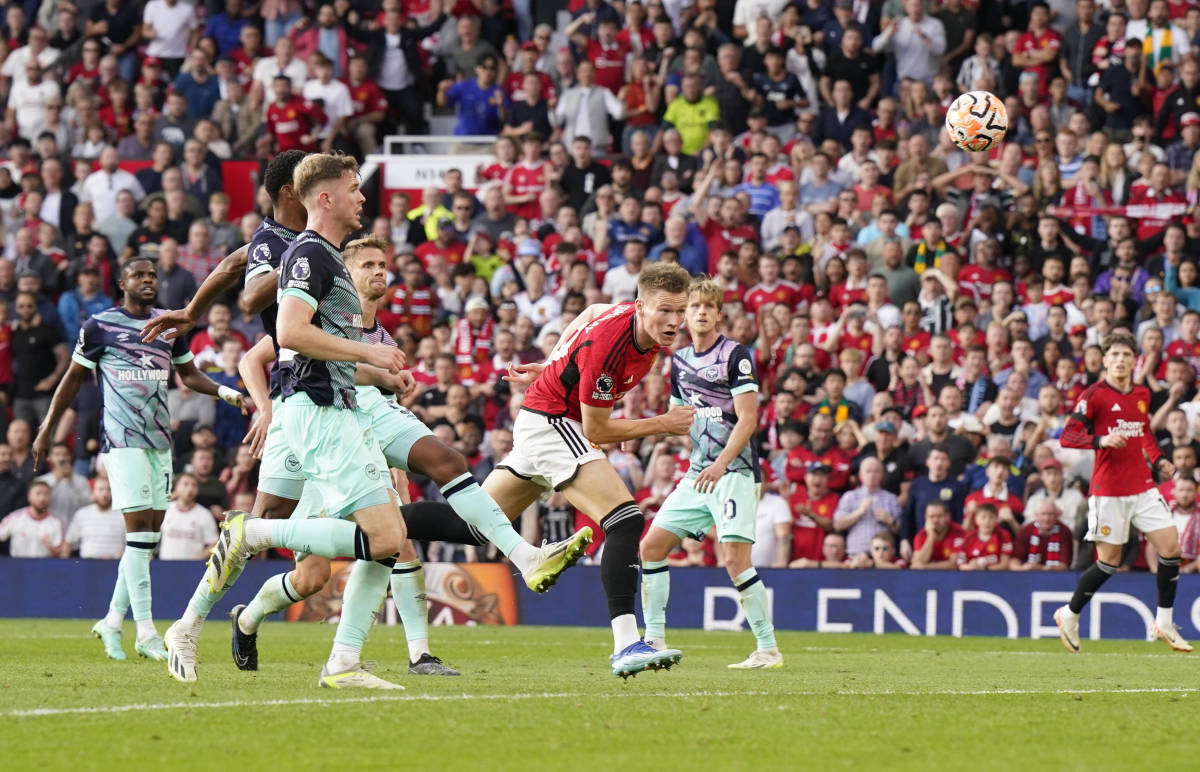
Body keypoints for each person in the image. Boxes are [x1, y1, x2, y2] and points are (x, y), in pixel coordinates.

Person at [170, 156, 586, 687]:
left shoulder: (323, 261)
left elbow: (241, 273)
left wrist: (375, 368)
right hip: (311, 408)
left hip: (341, 405)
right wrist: (330, 372)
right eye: (352, 189)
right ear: (311, 196)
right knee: (334, 539)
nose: (363, 199)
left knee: (378, 538)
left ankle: (346, 656)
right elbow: (276, 322)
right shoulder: (300, 252)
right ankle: (207, 597)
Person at [486, 262, 696, 678]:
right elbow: (598, 428)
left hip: (548, 420)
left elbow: (588, 311)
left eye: (681, 311)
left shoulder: (635, 325)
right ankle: (625, 645)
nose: (675, 321)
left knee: (472, 523)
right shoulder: (612, 344)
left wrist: (551, 365)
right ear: (640, 306)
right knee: (625, 520)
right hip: (554, 423)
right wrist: (663, 424)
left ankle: (372, 530)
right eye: (665, 311)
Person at [31, 257, 246, 662]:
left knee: (146, 541)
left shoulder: (170, 323)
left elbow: (188, 375)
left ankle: (112, 620)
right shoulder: (100, 326)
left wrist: (224, 392)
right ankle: (146, 631)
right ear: (123, 282)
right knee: (139, 534)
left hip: (159, 442)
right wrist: (47, 427)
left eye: (152, 275)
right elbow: (73, 379)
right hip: (121, 439)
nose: (148, 280)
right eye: (139, 275)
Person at [639, 279, 780, 670]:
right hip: (698, 474)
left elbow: (748, 419)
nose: (700, 312)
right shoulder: (679, 361)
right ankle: (653, 639)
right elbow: (678, 420)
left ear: (719, 314)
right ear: (684, 315)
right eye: (693, 306)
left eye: (708, 306)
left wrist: (720, 464)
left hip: (733, 472)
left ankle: (767, 649)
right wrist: (639, 430)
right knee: (651, 548)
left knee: (735, 560)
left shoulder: (737, 355)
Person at [1055, 331, 1191, 652]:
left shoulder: (1141, 393)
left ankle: (1165, 622)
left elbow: (1142, 430)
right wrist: (1099, 440)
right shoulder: (1094, 395)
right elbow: (1068, 435)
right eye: (1114, 354)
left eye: (1127, 355)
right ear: (1104, 360)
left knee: (1171, 549)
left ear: (1135, 361)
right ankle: (1070, 614)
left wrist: (1159, 460)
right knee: (1108, 563)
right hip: (1109, 492)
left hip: (1142, 487)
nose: (1120, 360)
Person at [61, 477, 125, 559]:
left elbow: (131, 544)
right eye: (100, 489)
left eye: (109, 489)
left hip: (115, 565)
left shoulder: (123, 515)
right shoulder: (81, 514)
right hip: (87, 566)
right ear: (93, 492)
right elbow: (68, 543)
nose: (105, 494)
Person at [158, 474, 218, 560]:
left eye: (194, 485)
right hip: (164, 565)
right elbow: (150, 535)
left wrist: (197, 559)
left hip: (191, 568)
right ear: (176, 488)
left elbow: (214, 544)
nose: (190, 488)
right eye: (185, 484)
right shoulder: (165, 510)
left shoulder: (204, 514)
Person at [0, 481, 65, 557]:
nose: (42, 498)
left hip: (45, 566)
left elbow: (62, 554)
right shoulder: (15, 517)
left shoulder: (56, 522)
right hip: (17, 565)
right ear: (29, 497)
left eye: (46, 494)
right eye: (38, 493)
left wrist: (50, 547)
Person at [1012, 498, 1075, 570]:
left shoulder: (1065, 532)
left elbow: (1064, 566)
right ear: (1036, 515)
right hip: (1028, 576)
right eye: (1043, 514)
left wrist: (1040, 568)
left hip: (1055, 577)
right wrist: (1023, 568)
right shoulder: (1025, 531)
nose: (1046, 518)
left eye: (1050, 514)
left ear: (1057, 516)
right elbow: (1014, 561)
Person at [911, 499, 967, 569]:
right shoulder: (921, 535)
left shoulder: (959, 533)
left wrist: (926, 567)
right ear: (926, 518)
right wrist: (930, 537)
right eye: (932, 517)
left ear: (948, 517)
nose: (935, 520)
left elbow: (954, 564)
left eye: (939, 516)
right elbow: (917, 563)